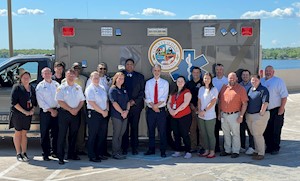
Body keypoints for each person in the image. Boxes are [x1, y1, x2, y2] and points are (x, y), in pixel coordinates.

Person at [55, 69, 85, 165]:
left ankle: (72, 154)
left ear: (75, 77)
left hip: (76, 113)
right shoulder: (61, 87)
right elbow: (60, 101)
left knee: (74, 135)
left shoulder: (78, 87)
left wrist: (76, 109)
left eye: (72, 75)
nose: (71, 77)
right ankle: (61, 156)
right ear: (66, 76)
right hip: (64, 113)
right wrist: (70, 109)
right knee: (62, 135)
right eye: (69, 75)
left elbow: (82, 100)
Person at [218, 72, 248, 158]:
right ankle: (227, 150)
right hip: (224, 114)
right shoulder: (224, 88)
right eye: (230, 78)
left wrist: (241, 116)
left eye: (234, 78)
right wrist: (219, 113)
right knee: (226, 133)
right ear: (227, 79)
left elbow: (244, 103)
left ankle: (235, 151)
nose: (232, 79)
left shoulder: (241, 89)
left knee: (235, 134)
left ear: (237, 79)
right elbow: (220, 101)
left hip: (235, 115)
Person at [9, 71, 37, 161]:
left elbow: (34, 102)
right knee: (18, 133)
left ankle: (24, 152)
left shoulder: (32, 88)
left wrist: (32, 110)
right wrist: (24, 111)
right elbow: (14, 103)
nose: (26, 79)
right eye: (24, 77)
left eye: (27, 77)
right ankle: (18, 153)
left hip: (28, 115)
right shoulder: (16, 87)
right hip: (18, 114)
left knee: (24, 133)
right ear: (21, 78)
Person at [261, 65, 288, 155]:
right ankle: (269, 147)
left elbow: (284, 96)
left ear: (273, 72)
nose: (268, 72)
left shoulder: (278, 81)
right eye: (266, 71)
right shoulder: (262, 81)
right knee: (266, 130)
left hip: (276, 109)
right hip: (265, 110)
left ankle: (275, 147)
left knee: (275, 130)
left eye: (270, 71)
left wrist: (282, 108)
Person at [86, 62, 112, 157]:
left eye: (104, 69)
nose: (102, 71)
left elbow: (106, 99)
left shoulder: (101, 87)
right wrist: (102, 111)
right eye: (100, 69)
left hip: (103, 113)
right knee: (93, 135)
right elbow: (91, 102)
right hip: (94, 113)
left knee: (102, 134)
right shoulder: (90, 88)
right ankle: (92, 155)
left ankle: (101, 152)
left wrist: (106, 111)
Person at [144, 64, 169, 158]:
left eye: (158, 70)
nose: (156, 72)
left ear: (160, 71)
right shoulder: (148, 83)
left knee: (162, 131)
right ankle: (151, 149)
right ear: (152, 71)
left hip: (161, 110)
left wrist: (157, 106)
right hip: (151, 110)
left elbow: (164, 97)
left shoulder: (165, 83)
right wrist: (153, 106)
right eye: (155, 70)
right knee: (151, 130)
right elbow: (147, 96)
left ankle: (163, 150)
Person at [121, 59, 145, 155]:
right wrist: (126, 102)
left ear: (134, 66)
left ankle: (135, 148)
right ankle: (124, 148)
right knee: (125, 128)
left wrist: (134, 101)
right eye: (127, 64)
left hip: (136, 106)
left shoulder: (139, 77)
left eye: (131, 64)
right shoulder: (121, 75)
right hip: (124, 107)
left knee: (134, 127)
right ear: (125, 66)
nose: (129, 66)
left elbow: (142, 91)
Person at [36, 67, 60, 161]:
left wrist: (56, 109)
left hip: (56, 111)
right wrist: (51, 110)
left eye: (48, 73)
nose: (47, 75)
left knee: (55, 133)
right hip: (46, 112)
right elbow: (41, 102)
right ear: (42, 75)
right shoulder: (40, 86)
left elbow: (60, 97)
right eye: (45, 73)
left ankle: (55, 152)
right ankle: (45, 153)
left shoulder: (56, 84)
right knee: (45, 134)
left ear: (51, 73)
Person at [167, 76, 192, 159]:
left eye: (182, 81)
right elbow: (169, 102)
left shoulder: (187, 92)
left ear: (184, 82)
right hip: (174, 116)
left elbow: (185, 104)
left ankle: (188, 151)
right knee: (176, 134)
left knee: (184, 134)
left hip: (184, 116)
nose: (180, 82)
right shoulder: (173, 92)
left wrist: (176, 111)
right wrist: (170, 110)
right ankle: (177, 150)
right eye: (178, 81)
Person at [246, 75, 270, 160]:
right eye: (252, 80)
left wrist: (261, 113)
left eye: (256, 80)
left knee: (258, 134)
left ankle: (261, 153)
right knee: (253, 134)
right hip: (250, 115)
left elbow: (265, 102)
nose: (254, 81)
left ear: (259, 80)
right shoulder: (250, 89)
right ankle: (256, 150)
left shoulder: (263, 90)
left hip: (259, 116)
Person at [109, 72, 130, 160]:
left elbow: (128, 102)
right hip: (117, 115)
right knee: (117, 134)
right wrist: (122, 112)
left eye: (122, 78)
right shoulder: (113, 90)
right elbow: (114, 103)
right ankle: (115, 152)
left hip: (124, 115)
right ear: (115, 79)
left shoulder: (124, 89)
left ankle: (118, 151)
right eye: (119, 78)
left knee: (121, 134)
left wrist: (127, 111)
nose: (121, 80)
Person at [197, 72, 218, 158]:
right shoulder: (201, 89)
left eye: (208, 78)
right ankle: (206, 150)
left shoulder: (214, 89)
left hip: (210, 116)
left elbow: (213, 102)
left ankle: (212, 151)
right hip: (201, 115)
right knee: (203, 134)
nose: (206, 80)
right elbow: (199, 101)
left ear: (211, 79)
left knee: (210, 134)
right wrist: (199, 110)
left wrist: (204, 110)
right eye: (205, 78)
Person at [185, 67, 203, 153]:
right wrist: (191, 106)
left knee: (201, 129)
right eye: (194, 72)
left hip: (202, 109)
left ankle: (202, 146)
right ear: (192, 73)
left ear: (200, 73)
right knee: (192, 129)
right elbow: (186, 96)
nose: (195, 74)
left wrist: (199, 108)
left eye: (197, 72)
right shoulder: (188, 84)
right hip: (191, 109)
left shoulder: (204, 83)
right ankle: (193, 146)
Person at [212, 63, 228, 152]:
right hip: (213, 107)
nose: (219, 71)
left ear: (223, 70)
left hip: (224, 107)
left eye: (220, 70)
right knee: (215, 128)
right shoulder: (212, 80)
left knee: (225, 128)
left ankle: (226, 147)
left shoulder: (227, 81)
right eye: (217, 70)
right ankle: (216, 146)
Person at [239, 69, 255, 155]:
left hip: (249, 111)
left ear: (249, 76)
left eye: (246, 75)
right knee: (241, 129)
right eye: (243, 75)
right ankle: (242, 146)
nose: (245, 76)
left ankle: (252, 146)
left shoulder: (253, 86)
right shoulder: (239, 85)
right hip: (241, 111)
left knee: (250, 130)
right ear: (241, 76)